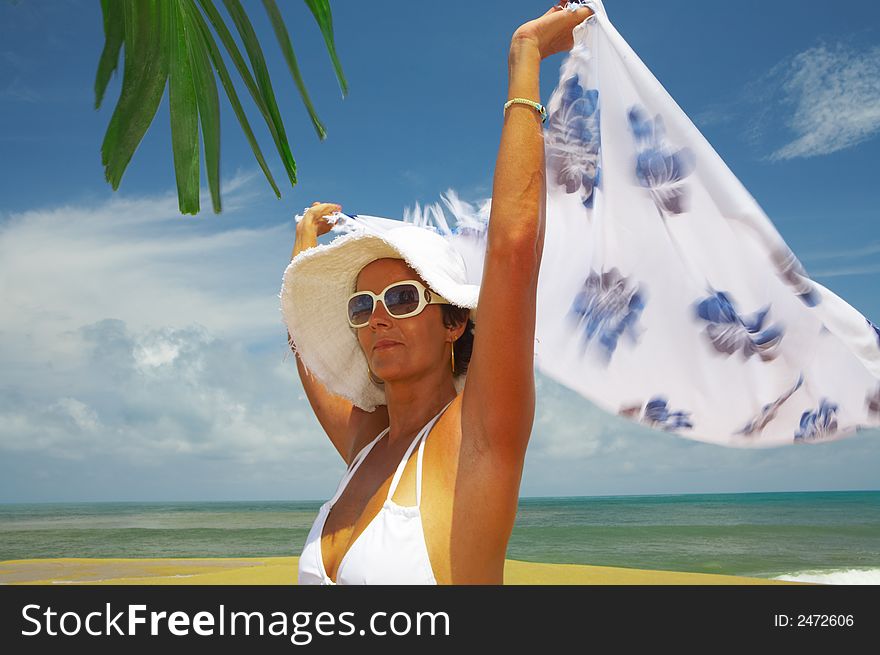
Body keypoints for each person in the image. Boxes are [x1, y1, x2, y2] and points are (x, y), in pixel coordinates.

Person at [281, 2, 596, 585]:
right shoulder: (368, 447)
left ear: (453, 322)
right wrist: (303, 253)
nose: (377, 318)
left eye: (402, 299)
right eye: (361, 307)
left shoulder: (475, 435)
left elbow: (513, 252)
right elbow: (306, 355)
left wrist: (524, 59)